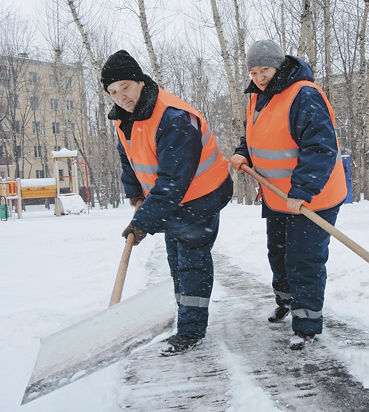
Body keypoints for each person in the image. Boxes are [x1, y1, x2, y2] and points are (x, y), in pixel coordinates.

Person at [101, 50, 233, 356]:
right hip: (174, 199)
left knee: (191, 262)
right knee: (177, 259)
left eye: (125, 87)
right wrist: (135, 195)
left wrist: (143, 221)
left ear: (139, 82)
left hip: (201, 196)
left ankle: (190, 330)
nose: (120, 97)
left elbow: (173, 181)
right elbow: (129, 160)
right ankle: (185, 315)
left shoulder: (173, 117)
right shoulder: (125, 119)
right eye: (112, 92)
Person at [230, 40, 347, 350]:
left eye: (264, 70)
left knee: (303, 260)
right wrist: (244, 153)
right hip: (277, 195)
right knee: (278, 253)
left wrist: (303, 191)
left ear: (278, 66)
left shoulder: (304, 94)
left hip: (312, 197)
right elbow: (254, 136)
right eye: (253, 71)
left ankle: (307, 325)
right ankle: (286, 302)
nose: (259, 77)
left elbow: (320, 147)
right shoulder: (257, 97)